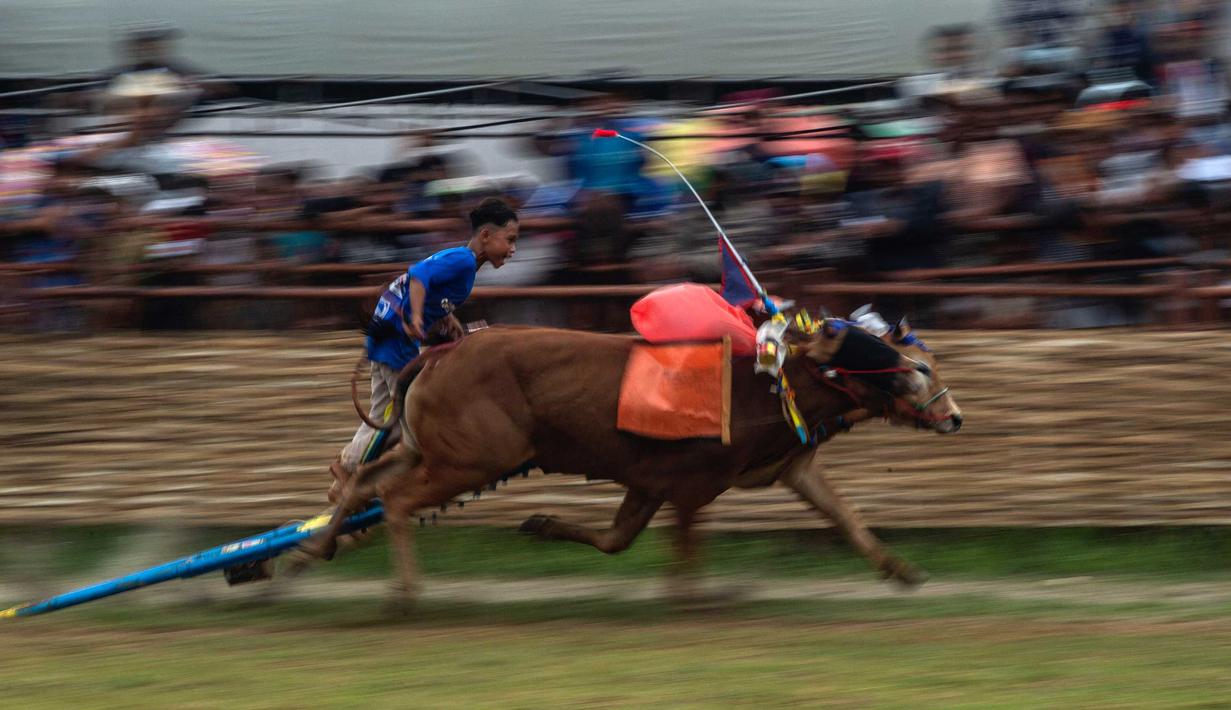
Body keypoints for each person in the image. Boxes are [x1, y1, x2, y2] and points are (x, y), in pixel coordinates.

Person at [329, 197, 519, 500]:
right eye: (509, 240)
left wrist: (447, 317)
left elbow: (430, 288)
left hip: (385, 334)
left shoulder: (462, 262)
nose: (512, 249)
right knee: (408, 423)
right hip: (396, 340)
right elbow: (418, 275)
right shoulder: (464, 260)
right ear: (486, 235)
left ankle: (347, 468)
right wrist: (417, 317)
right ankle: (362, 478)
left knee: (383, 413)